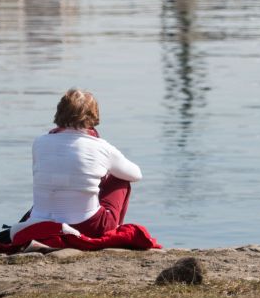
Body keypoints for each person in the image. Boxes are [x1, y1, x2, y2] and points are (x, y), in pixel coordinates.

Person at [9, 88, 161, 252]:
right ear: (93, 116)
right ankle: (113, 228)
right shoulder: (100, 146)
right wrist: (105, 169)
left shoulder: (39, 142)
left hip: (38, 222)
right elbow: (136, 174)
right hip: (88, 226)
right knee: (121, 178)